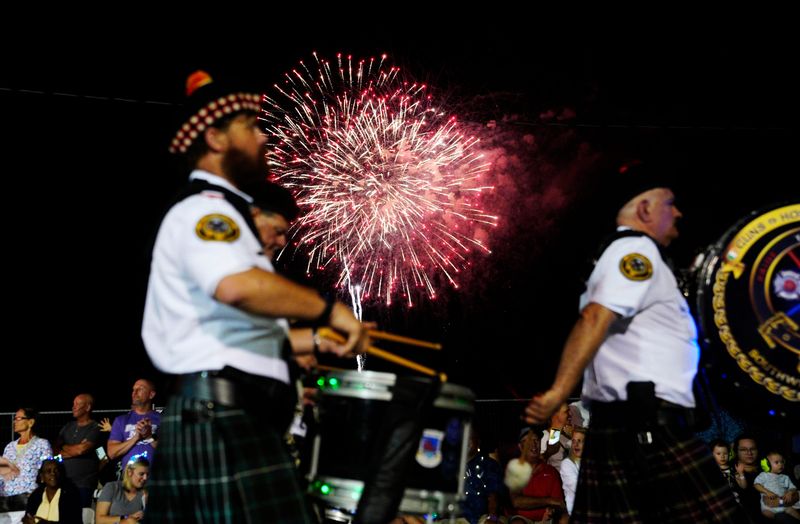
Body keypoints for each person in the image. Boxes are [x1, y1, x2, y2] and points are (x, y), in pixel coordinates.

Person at [142, 70, 371, 522]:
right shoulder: (203, 211)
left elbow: (237, 330)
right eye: (251, 125)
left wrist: (320, 340)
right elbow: (238, 287)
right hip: (222, 418)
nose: (264, 138)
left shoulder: (224, 218)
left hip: (228, 416)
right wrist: (332, 311)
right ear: (215, 137)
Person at [524, 162, 746, 522]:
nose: (678, 212)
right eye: (669, 203)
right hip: (646, 425)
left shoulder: (635, 255)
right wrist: (558, 392)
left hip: (633, 423)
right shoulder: (635, 254)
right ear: (644, 208)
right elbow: (595, 317)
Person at [0, 408, 53, 512]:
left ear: (31, 422)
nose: (14, 421)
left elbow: (48, 471)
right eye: (14, 419)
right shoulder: (9, 446)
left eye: (18, 418)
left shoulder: (42, 444)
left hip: (28, 497)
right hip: (5, 499)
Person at [56, 393, 101, 508]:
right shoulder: (67, 426)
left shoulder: (95, 427)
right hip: (63, 482)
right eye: (73, 404)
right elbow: (56, 448)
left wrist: (64, 447)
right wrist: (72, 449)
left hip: (84, 484)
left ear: (87, 407)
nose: (73, 407)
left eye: (77, 404)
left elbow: (82, 449)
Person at [107, 379, 160, 472]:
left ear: (151, 394)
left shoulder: (162, 419)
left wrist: (150, 437)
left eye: (140, 389)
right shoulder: (121, 420)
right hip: (129, 482)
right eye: (133, 389)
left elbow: (172, 453)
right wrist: (135, 438)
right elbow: (112, 453)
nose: (134, 393)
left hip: (156, 480)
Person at [21, 459, 82, 524]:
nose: (53, 473)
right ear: (42, 477)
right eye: (48, 471)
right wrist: (27, 521)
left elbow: (75, 521)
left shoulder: (71, 494)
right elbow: (27, 517)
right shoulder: (36, 495)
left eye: (56, 470)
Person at [95, 455, 149, 524]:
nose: (145, 478)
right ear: (130, 472)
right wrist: (126, 518)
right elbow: (99, 520)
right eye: (141, 474)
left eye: (147, 474)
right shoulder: (112, 487)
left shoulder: (144, 493)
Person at [754, 451, 800, 521]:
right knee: (766, 513)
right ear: (766, 464)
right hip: (768, 506)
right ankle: (779, 518)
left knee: (793, 511)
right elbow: (756, 484)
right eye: (777, 462)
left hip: (784, 504)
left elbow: (793, 487)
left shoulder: (785, 477)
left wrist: (790, 492)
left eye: (782, 462)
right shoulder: (764, 475)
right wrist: (767, 492)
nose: (781, 464)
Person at [559, 426, 585, 516]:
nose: (576, 444)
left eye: (580, 441)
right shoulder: (567, 464)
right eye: (573, 441)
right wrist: (556, 427)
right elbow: (552, 448)